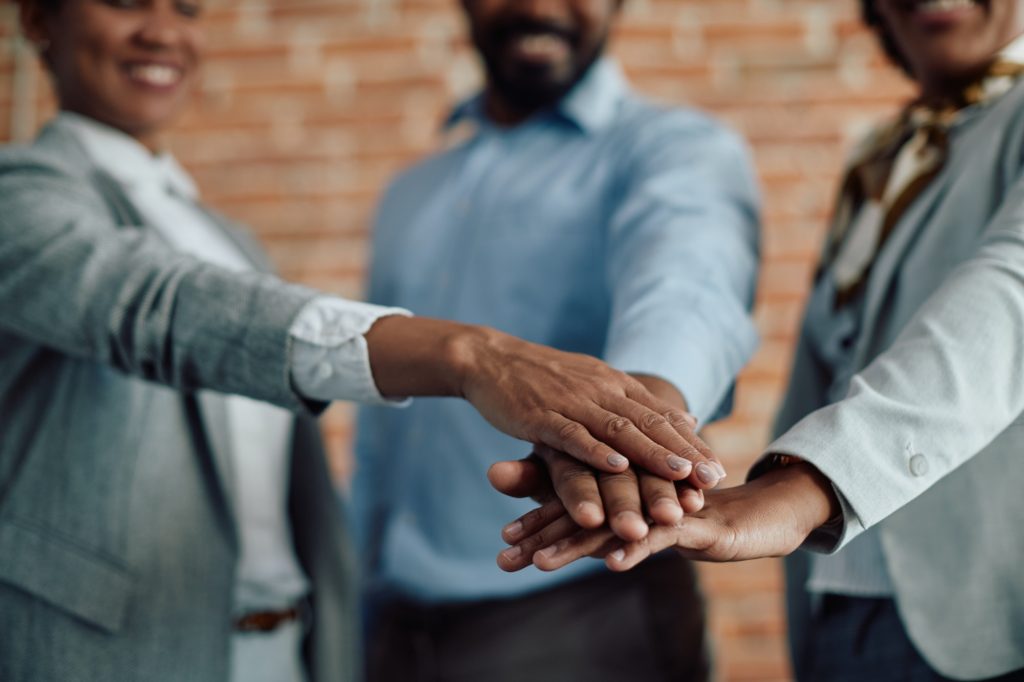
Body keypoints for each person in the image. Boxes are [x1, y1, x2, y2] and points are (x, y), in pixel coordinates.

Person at [0, 1, 720, 681]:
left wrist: (646, 415)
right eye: (126, 2)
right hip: (134, 649)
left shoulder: (227, 240)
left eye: (187, 7)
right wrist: (471, 357)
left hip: (473, 623)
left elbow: (686, 289)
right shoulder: (21, 199)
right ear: (38, 17)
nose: (163, 31)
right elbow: (159, 308)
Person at [494, 0, 1024, 680]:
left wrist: (806, 487)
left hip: (988, 623)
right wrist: (641, 445)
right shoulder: (883, 152)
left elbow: (1010, 295)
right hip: (840, 608)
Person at [352, 0, 760, 679]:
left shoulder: (674, 150)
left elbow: (689, 282)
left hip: (582, 612)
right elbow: (383, 426)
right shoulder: (411, 193)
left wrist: (641, 416)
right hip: (393, 619)